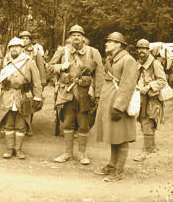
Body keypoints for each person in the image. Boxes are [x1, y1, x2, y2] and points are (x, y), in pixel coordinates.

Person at [49, 25, 103, 165]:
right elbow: (49, 67)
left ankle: (82, 154)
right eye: (73, 35)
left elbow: (100, 75)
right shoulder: (63, 51)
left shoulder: (93, 52)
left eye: (79, 35)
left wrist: (97, 95)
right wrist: (61, 67)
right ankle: (67, 153)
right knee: (67, 123)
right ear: (70, 37)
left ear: (83, 37)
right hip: (66, 93)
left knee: (84, 124)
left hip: (85, 94)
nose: (76, 38)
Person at [94, 32, 138, 182]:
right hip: (110, 102)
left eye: (110, 42)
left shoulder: (128, 60)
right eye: (108, 42)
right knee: (114, 136)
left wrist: (119, 107)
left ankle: (118, 171)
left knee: (122, 137)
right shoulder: (111, 59)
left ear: (119, 45)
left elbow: (128, 85)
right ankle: (112, 165)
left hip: (120, 105)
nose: (107, 44)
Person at [0, 37, 43, 159]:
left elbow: (37, 82)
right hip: (7, 97)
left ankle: (18, 150)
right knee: (8, 124)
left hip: (23, 97)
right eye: (12, 47)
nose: (14, 49)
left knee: (21, 125)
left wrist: (37, 98)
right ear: (9, 49)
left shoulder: (29, 62)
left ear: (22, 48)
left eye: (17, 46)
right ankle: (9, 149)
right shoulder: (3, 62)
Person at [133, 39, 166, 162]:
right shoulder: (138, 63)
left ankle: (146, 151)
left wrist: (148, 86)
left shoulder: (155, 63)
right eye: (139, 48)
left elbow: (162, 81)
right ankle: (152, 147)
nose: (141, 51)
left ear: (148, 50)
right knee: (143, 121)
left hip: (153, 99)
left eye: (144, 48)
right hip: (141, 97)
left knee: (148, 122)